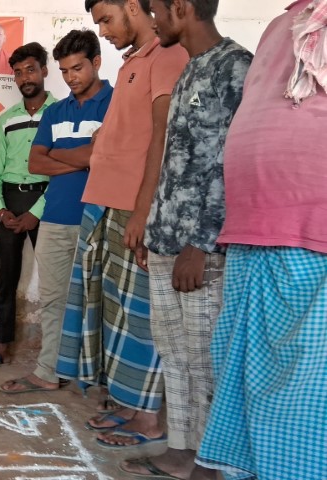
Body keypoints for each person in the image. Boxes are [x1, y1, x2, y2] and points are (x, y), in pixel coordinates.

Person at [117, 0, 253, 478]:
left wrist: (201, 243)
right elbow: (175, 160)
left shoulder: (236, 67)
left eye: (156, 10)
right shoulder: (191, 68)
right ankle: (181, 450)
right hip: (166, 240)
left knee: (204, 358)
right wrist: (152, 226)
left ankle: (210, 462)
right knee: (173, 354)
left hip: (201, 251)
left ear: (180, 7)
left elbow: (233, 161)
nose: (152, 19)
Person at [194, 1, 327, 479]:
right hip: (253, 228)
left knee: (301, 387)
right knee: (241, 368)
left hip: (312, 232)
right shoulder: (281, 23)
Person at [55, 0, 189, 449]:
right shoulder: (134, 61)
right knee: (115, 315)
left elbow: (165, 136)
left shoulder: (168, 55)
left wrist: (143, 211)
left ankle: (149, 419)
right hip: (105, 203)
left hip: (133, 207)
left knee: (139, 318)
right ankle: (130, 405)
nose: (103, 31)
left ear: (133, 6)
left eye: (106, 20)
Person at [0, 30, 113, 394]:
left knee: (103, 302)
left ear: (96, 62)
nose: (70, 77)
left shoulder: (116, 104)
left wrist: (63, 156)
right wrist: (85, 158)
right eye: (64, 70)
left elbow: (105, 158)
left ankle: (103, 379)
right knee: (52, 300)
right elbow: (36, 163)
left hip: (99, 220)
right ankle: (49, 371)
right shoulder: (56, 112)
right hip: (55, 220)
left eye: (77, 68)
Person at [0, 42, 56, 373]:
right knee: (6, 280)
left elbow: (65, 172)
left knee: (54, 283)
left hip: (47, 201)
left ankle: (56, 356)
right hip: (9, 202)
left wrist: (36, 213)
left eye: (31, 70)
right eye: (18, 73)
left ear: (44, 71)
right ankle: (1, 349)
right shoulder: (6, 120)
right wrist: (2, 211)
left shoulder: (60, 114)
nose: (25, 78)